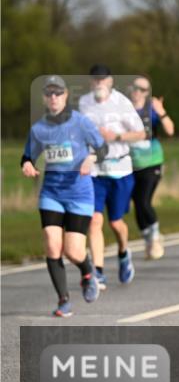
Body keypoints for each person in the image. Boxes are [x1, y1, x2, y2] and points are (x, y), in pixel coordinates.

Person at [22, 76, 106, 316]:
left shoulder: (81, 123)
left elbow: (102, 148)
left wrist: (91, 158)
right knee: (51, 244)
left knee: (73, 251)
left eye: (58, 93)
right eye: (49, 94)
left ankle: (87, 269)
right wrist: (27, 164)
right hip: (51, 192)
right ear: (44, 98)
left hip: (79, 193)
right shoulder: (39, 128)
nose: (53, 98)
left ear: (66, 95)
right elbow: (27, 155)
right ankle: (63, 300)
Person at [79, 65, 145, 288]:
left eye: (103, 79)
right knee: (95, 220)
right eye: (95, 80)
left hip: (120, 169)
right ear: (91, 82)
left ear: (110, 81)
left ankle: (124, 252)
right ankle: (97, 271)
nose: (99, 83)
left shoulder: (122, 103)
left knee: (116, 223)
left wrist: (115, 135)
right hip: (95, 171)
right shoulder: (84, 103)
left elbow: (140, 133)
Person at [128, 75, 175, 260]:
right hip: (130, 164)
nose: (139, 92)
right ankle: (148, 238)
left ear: (148, 93)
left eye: (143, 89)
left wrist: (161, 111)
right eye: (136, 88)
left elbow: (170, 130)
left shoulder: (152, 110)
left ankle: (155, 236)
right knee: (137, 204)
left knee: (145, 200)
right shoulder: (122, 110)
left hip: (152, 161)